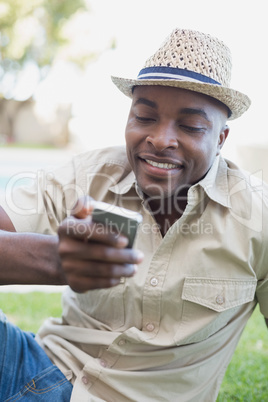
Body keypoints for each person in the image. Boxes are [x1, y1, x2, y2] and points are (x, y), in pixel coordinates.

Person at [0, 28, 267, 402]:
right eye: (144, 117)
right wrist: (50, 259)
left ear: (221, 138)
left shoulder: (257, 218)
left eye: (190, 126)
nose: (160, 138)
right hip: (39, 371)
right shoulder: (89, 177)